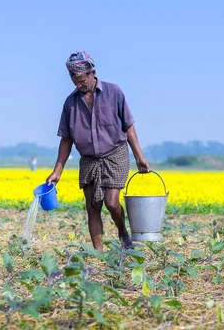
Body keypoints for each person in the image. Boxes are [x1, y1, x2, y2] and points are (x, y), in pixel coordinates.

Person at [46, 51, 151, 252]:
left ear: (92, 73)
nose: (78, 85)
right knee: (92, 207)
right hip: (89, 159)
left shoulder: (114, 92)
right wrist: (57, 171)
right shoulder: (70, 103)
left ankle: (123, 233)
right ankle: (99, 254)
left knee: (112, 203)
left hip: (115, 154)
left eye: (81, 80)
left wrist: (139, 157)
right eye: (74, 81)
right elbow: (66, 139)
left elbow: (128, 126)